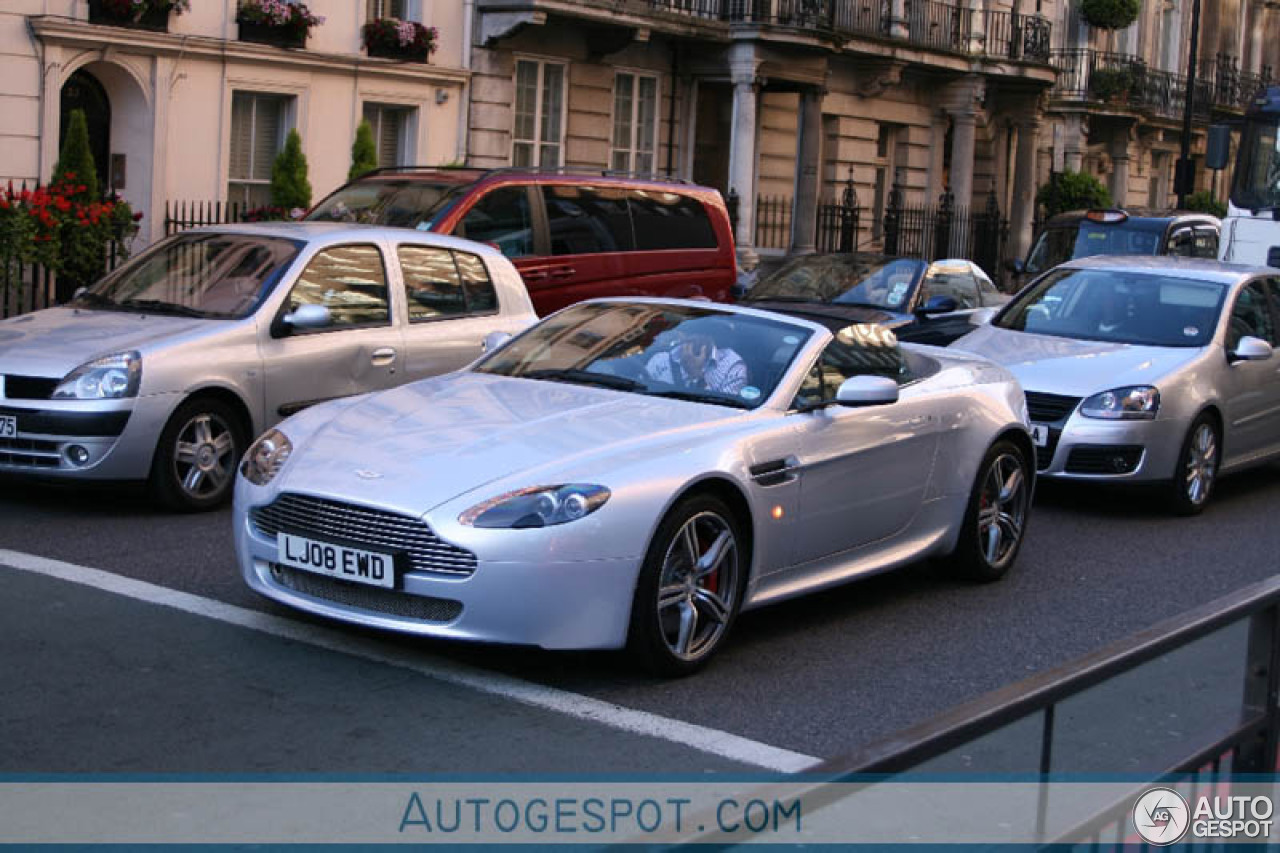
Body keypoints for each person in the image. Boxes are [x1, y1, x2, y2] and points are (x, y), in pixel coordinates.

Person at [645, 327, 748, 395]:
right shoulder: (660, 360)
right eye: (689, 331)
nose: (693, 337)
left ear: (711, 336)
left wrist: (696, 375)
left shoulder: (732, 366)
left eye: (701, 332)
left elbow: (725, 415)